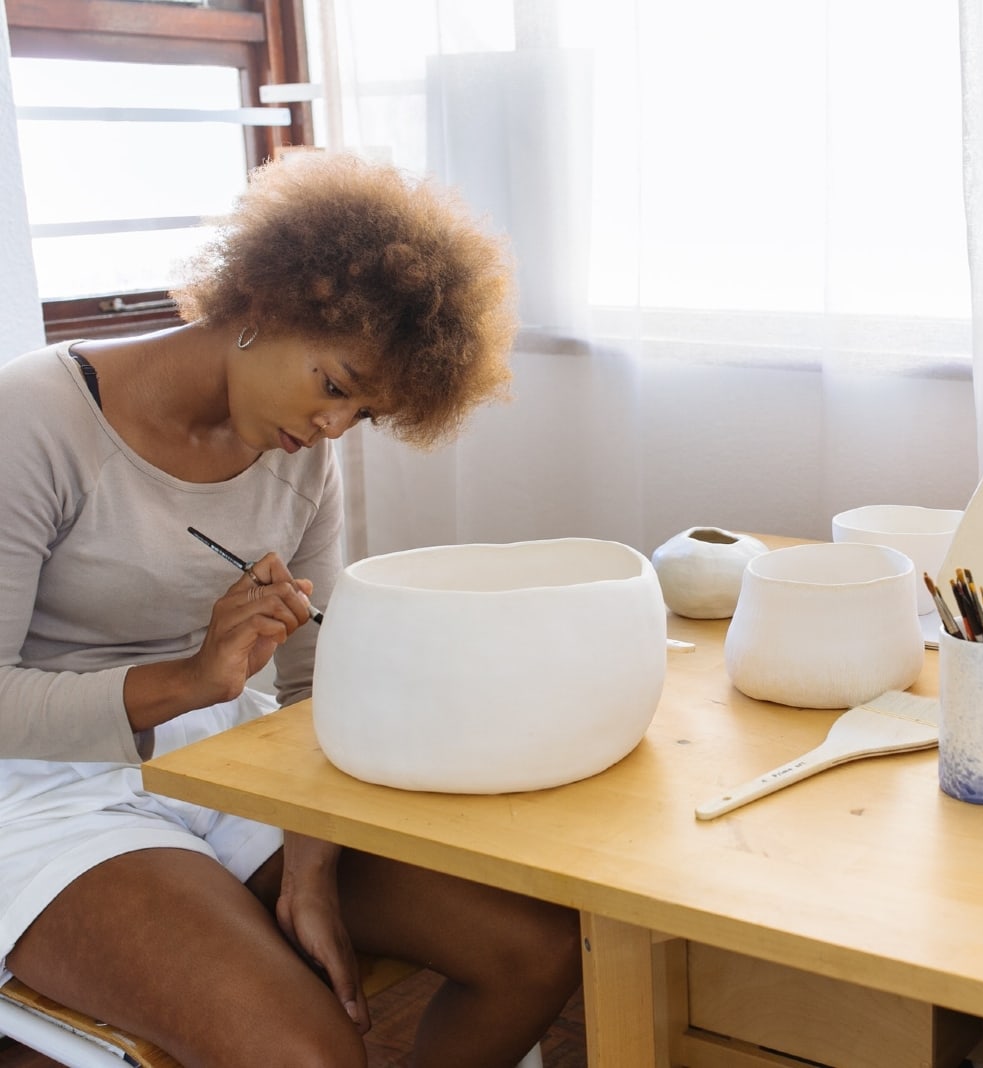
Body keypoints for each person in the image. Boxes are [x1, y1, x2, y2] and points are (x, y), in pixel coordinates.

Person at [0, 151, 580, 1067]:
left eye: (365, 416)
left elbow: (316, 684)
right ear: (264, 304)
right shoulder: (29, 419)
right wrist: (190, 678)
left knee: (536, 947)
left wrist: (312, 860)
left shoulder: (302, 452)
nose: (333, 430)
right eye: (336, 385)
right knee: (307, 1054)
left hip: (221, 757)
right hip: (33, 793)